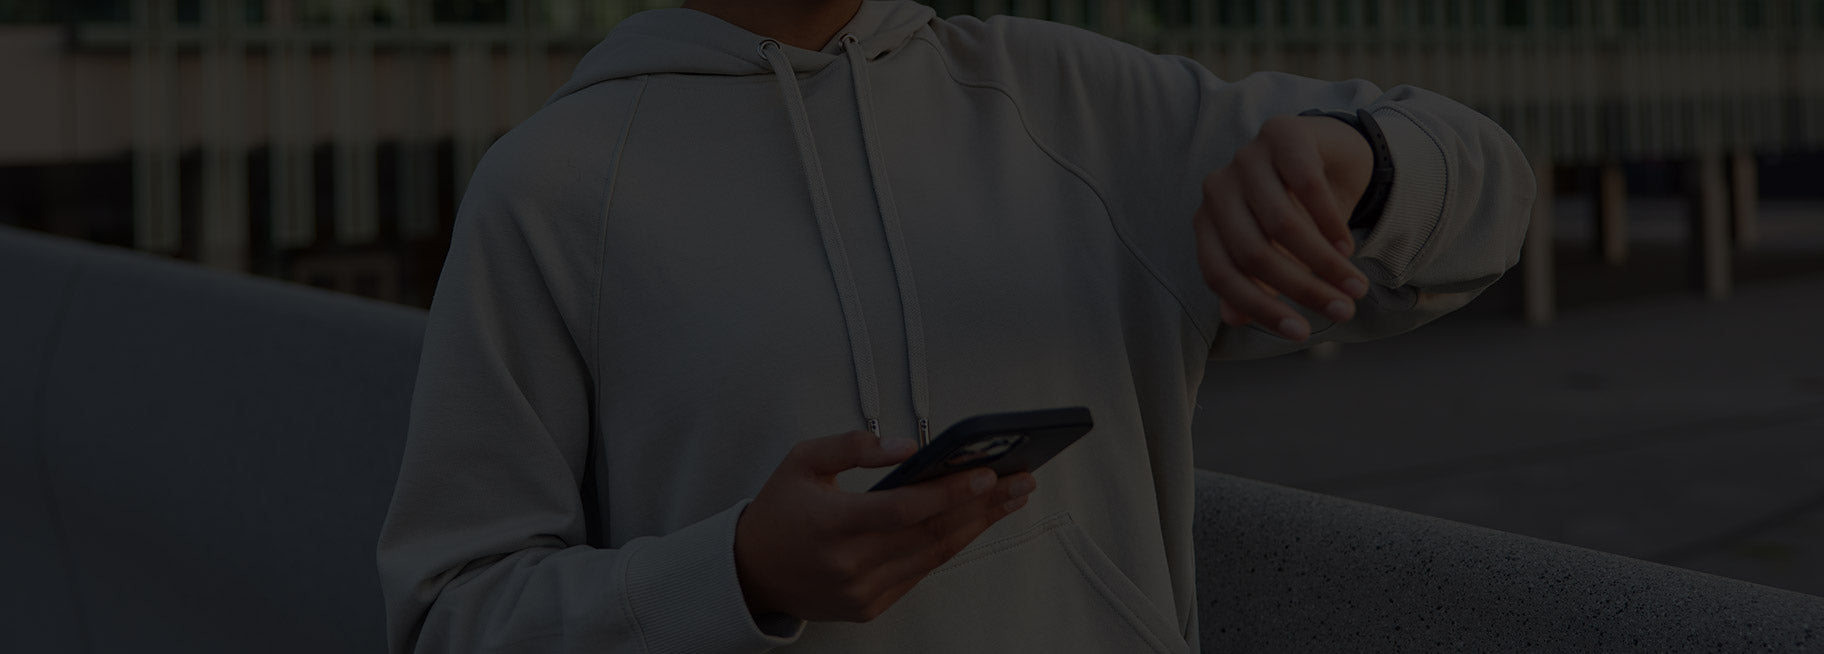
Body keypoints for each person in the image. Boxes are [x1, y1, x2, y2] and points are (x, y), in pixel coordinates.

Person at [375, 0, 1534, 651]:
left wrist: (1357, 168)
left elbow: (1493, 194)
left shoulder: (1072, 107)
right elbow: (450, 616)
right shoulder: (551, 188)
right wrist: (735, 573)